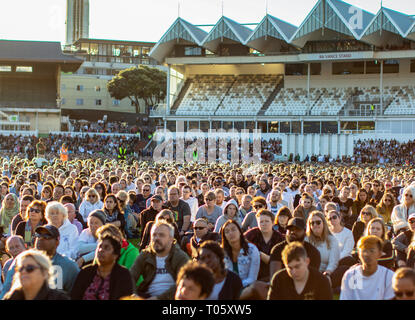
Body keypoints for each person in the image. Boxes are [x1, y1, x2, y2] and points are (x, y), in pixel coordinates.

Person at [70, 227, 135, 300]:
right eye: (99, 247)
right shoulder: (86, 272)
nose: (101, 250)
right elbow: (74, 296)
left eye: (106, 248)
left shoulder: (123, 275)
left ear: (115, 255)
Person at [130, 221, 189, 299]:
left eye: (161, 235)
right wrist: (134, 295)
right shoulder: (145, 255)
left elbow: (183, 283)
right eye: (154, 235)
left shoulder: (180, 257)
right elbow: (130, 277)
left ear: (171, 239)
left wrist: (159, 298)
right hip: (147, 295)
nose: (156, 238)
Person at [267, 242, 333, 300]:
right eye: (290, 268)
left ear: (307, 261)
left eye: (297, 267)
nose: (294, 272)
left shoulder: (321, 281)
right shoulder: (279, 279)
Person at [340, 235, 394, 300]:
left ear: (379, 254)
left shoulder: (388, 276)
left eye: (372, 251)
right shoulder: (351, 275)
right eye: (364, 250)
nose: (367, 254)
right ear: (359, 254)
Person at [3, 249, 69, 300]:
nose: (23, 271)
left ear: (45, 273)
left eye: (29, 268)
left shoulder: (58, 298)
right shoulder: (10, 297)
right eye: (20, 269)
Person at [34, 224, 80, 294]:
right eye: (38, 236)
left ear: (57, 242)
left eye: (46, 236)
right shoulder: (25, 262)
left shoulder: (68, 266)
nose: (41, 239)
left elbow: (76, 294)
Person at [244, 209, 284, 282]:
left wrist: (259, 254)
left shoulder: (279, 238)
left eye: (267, 221)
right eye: (261, 222)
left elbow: (280, 261)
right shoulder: (251, 235)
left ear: (272, 223)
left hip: (273, 274)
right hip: (253, 272)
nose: (264, 224)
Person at [221, 220, 260, 288]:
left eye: (233, 229)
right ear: (224, 236)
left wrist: (236, 286)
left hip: (247, 287)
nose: (230, 233)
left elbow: (252, 278)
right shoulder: (222, 252)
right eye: (227, 232)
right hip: (227, 288)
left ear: (239, 232)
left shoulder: (252, 250)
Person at [305, 211, 340, 283]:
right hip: (310, 272)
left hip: (327, 272)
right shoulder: (306, 239)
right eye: (312, 223)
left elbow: (333, 262)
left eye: (318, 222)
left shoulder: (332, 240)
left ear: (324, 223)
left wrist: (327, 273)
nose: (315, 225)